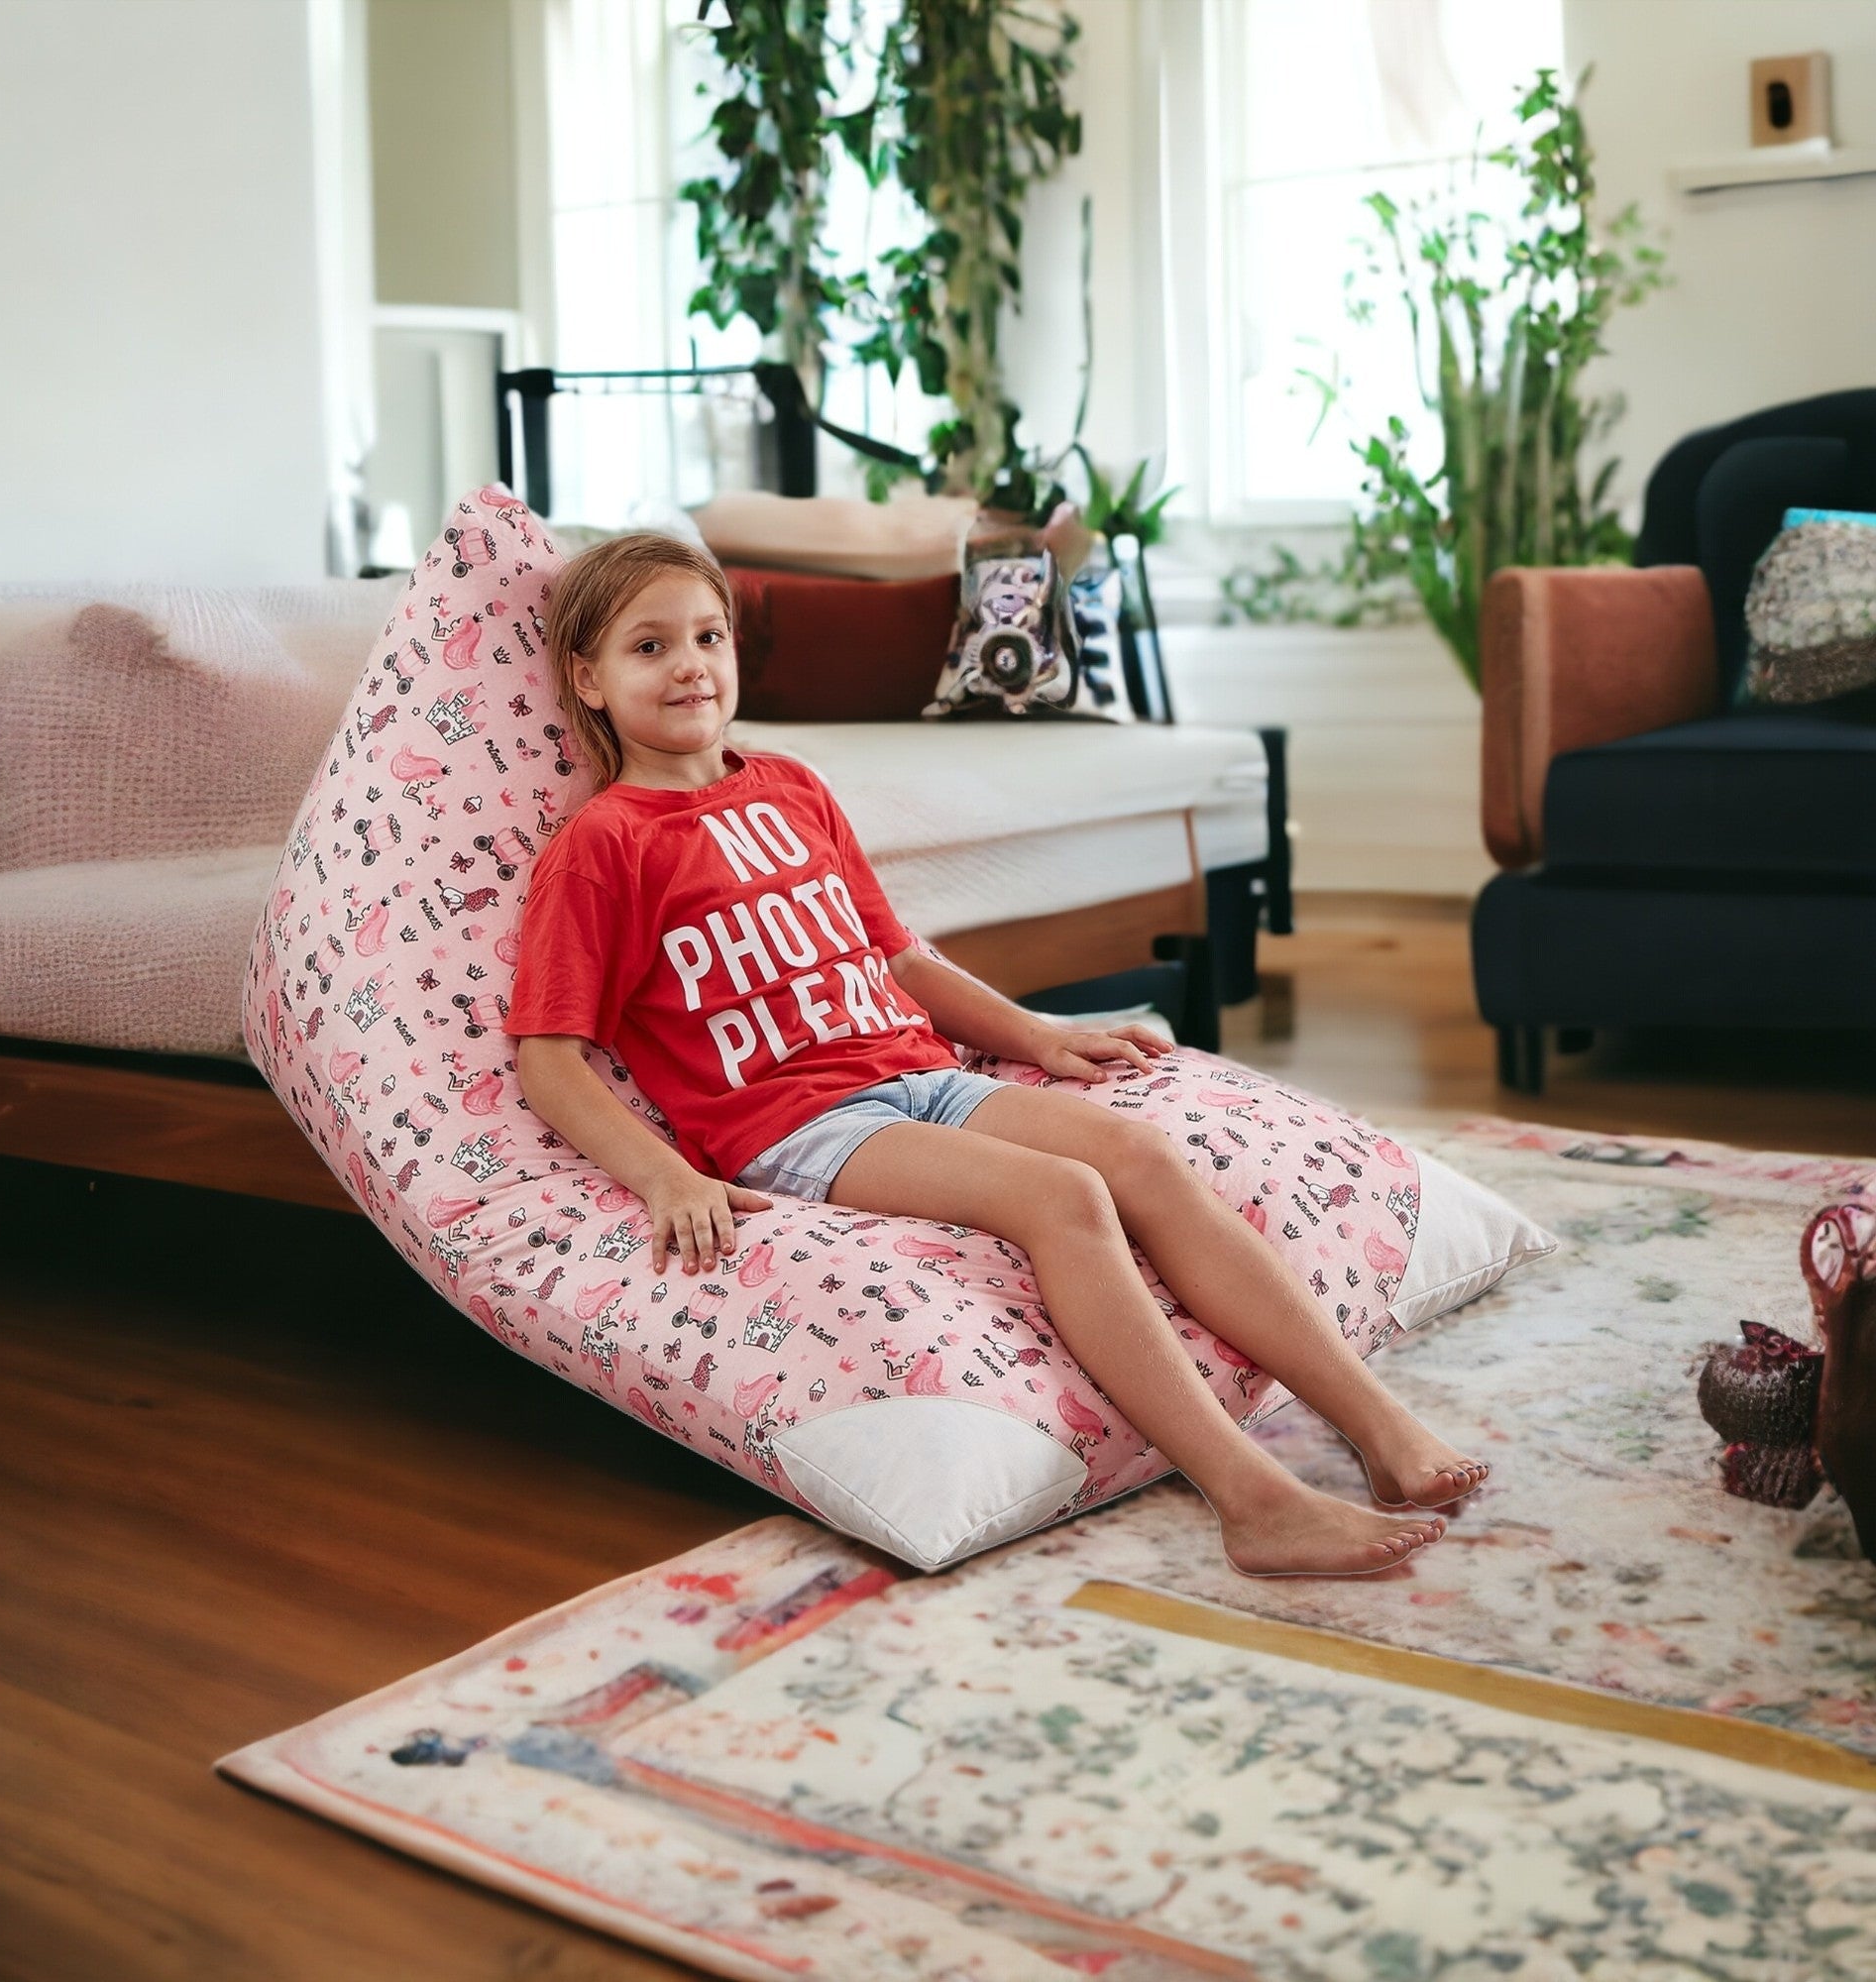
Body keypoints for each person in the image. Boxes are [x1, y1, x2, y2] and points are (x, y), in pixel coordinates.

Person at [507, 533, 1489, 1580]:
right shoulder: (605, 843)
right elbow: (549, 1056)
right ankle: (1251, 1496)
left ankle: (1381, 1430)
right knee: (1062, 1195)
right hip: (798, 1123)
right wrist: (662, 1175)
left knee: (1141, 1156)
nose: (690, 665)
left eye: (707, 636)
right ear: (588, 678)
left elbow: (897, 954)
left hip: (922, 1075)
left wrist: (1029, 1034)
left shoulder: (790, 786)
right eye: (649, 646)